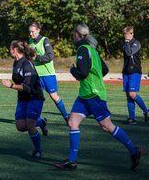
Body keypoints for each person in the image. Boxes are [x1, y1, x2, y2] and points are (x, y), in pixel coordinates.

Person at [54, 23, 143, 170]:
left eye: (74, 33)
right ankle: (72, 160)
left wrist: (73, 71)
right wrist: (93, 79)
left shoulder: (83, 49)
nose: (73, 36)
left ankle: (134, 151)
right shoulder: (92, 50)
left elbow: (82, 73)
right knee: (72, 123)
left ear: (77, 34)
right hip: (85, 95)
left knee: (107, 126)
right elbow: (105, 69)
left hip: (94, 95)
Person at [1, 41, 45, 157]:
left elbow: (27, 87)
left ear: (14, 49)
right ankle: (41, 122)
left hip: (34, 97)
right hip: (22, 98)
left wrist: (10, 85)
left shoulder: (27, 64)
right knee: (20, 126)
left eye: (10, 48)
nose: (9, 51)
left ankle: (38, 150)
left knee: (30, 125)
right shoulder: (15, 63)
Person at [28, 22, 69, 125]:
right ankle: (39, 121)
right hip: (37, 76)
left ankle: (67, 117)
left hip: (48, 74)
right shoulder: (30, 42)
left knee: (53, 96)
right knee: (36, 98)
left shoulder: (44, 40)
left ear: (38, 30)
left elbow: (49, 56)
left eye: (33, 31)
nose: (31, 34)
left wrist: (36, 57)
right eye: (30, 32)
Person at [121, 26, 148, 124]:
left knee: (132, 94)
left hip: (135, 71)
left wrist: (127, 42)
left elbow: (129, 53)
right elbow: (126, 58)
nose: (125, 36)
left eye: (127, 34)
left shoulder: (136, 43)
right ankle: (132, 118)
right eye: (124, 34)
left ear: (132, 34)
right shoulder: (125, 44)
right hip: (126, 72)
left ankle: (146, 111)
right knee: (128, 95)